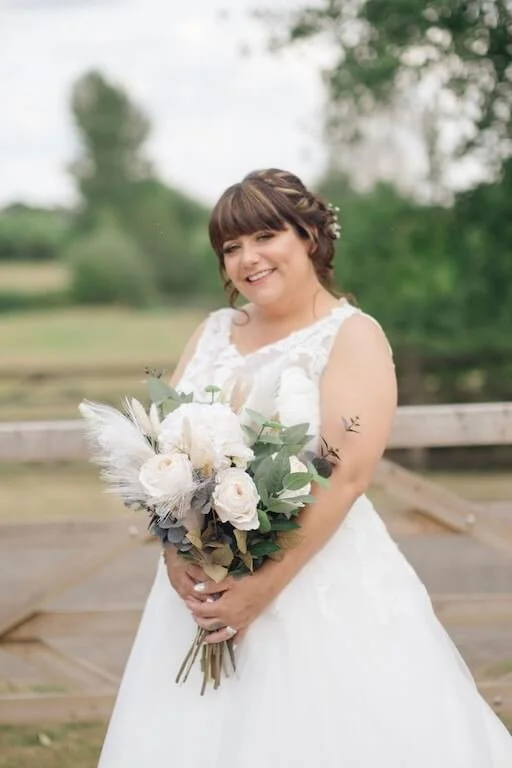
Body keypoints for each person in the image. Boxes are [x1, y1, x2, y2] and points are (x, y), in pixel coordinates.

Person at [98, 168, 512, 767]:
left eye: (265, 236)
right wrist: (176, 549)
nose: (247, 258)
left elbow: (344, 476)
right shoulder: (215, 330)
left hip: (316, 582)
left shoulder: (352, 336)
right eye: (231, 247)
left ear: (310, 236)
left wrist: (260, 589)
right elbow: (167, 448)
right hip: (202, 587)